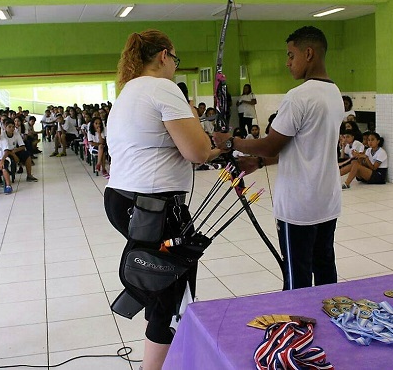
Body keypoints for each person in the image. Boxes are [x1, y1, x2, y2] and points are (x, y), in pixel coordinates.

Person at [104, 29, 220, 370]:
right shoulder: (163, 88)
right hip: (152, 206)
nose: (174, 67)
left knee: (159, 277)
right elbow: (197, 152)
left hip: (126, 200)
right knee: (172, 288)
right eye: (175, 60)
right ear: (164, 56)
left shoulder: (129, 91)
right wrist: (217, 145)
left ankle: (160, 355)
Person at [214, 26, 344, 291]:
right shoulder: (334, 93)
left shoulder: (299, 97)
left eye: (290, 55)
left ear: (308, 54)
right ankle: (330, 317)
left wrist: (231, 141)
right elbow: (300, 146)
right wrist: (259, 162)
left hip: (298, 208)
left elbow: (272, 145)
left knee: (296, 278)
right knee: (325, 270)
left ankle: (299, 328)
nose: (287, 62)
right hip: (326, 202)